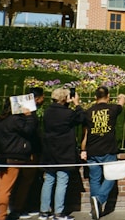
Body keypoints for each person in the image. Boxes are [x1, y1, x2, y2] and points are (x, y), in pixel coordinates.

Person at [39, 88, 86, 220]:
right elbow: (81, 118)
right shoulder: (68, 113)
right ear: (64, 99)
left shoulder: (48, 112)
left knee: (48, 181)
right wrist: (76, 103)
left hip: (49, 151)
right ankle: (58, 212)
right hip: (64, 151)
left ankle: (44, 210)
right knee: (62, 181)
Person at [81, 86, 125, 220]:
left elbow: (85, 133)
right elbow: (121, 103)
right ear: (108, 96)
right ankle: (99, 200)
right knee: (112, 176)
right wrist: (122, 97)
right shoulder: (112, 109)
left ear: (95, 97)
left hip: (92, 149)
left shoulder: (88, 112)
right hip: (108, 149)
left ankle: (95, 209)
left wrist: (83, 149)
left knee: (94, 179)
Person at [0, 96, 37, 220]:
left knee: (6, 187)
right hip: (17, 156)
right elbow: (29, 130)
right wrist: (29, 116)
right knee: (9, 187)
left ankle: (4, 213)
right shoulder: (15, 120)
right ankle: (6, 214)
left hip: (4, 156)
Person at [9, 87, 45, 218]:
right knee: (25, 182)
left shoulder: (19, 115)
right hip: (29, 152)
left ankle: (23, 206)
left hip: (25, 151)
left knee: (27, 182)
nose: (43, 100)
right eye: (42, 97)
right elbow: (31, 132)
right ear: (36, 99)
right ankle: (19, 208)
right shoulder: (29, 115)